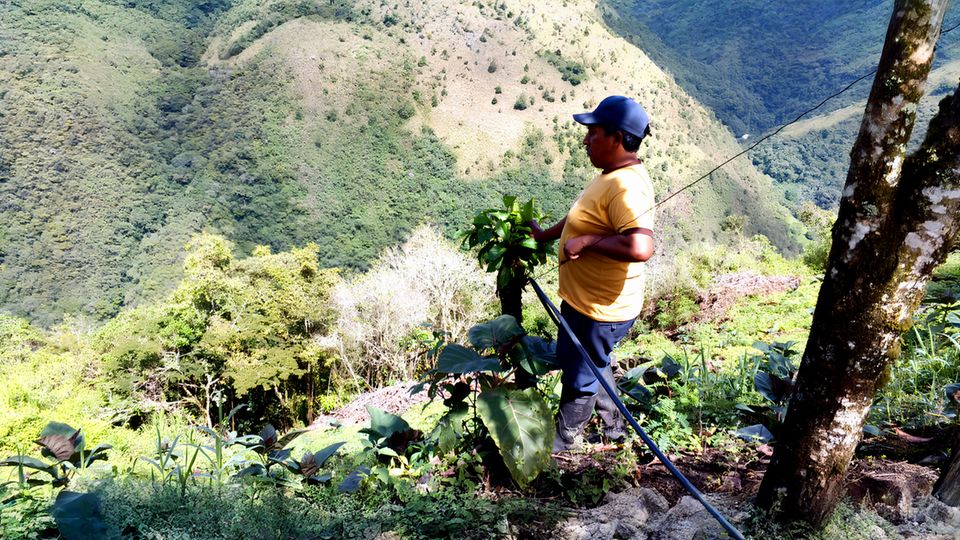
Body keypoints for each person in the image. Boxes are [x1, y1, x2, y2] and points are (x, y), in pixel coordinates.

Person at [530, 95, 656, 452]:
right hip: (587, 302)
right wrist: (546, 235)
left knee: (580, 372)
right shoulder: (611, 176)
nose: (585, 141)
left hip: (600, 311)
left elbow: (641, 247)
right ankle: (615, 429)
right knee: (592, 361)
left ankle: (565, 440)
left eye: (593, 133)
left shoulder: (626, 186)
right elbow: (582, 218)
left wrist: (588, 241)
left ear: (617, 138)